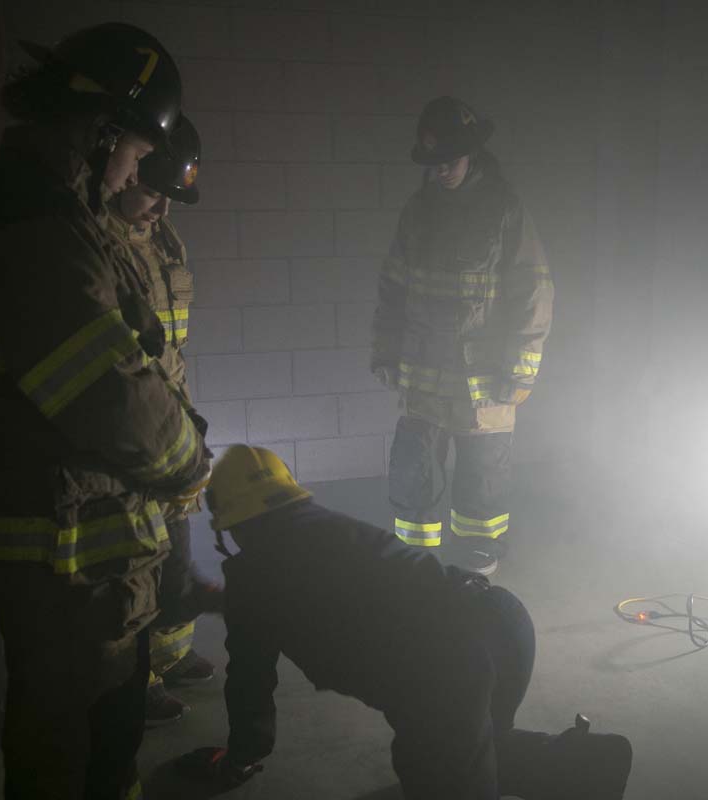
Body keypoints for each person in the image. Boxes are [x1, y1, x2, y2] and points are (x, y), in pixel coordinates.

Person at [0, 23, 210, 800]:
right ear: (102, 131)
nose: (134, 172)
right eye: (135, 151)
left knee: (94, 732)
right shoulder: (36, 215)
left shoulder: (39, 200)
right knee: (80, 744)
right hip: (60, 542)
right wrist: (187, 461)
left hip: (66, 529)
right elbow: (103, 386)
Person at [176, 445, 632, 799]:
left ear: (229, 522)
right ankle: (585, 765)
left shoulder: (254, 577)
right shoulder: (328, 525)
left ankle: (574, 767)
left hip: (448, 664)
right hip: (502, 619)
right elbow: (302, 591)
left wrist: (239, 759)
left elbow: (250, 685)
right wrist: (226, 601)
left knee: (447, 767)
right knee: (475, 744)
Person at [372, 96, 554, 576]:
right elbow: (393, 287)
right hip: (424, 376)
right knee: (413, 473)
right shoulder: (418, 211)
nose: (441, 169)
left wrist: (521, 369)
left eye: (449, 159)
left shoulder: (503, 210)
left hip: (484, 380)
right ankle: (414, 560)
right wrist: (385, 352)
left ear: (472, 153)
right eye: (433, 161)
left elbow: (533, 290)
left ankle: (477, 562)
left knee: (482, 477)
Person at [104, 115, 219, 726]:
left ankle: (172, 655)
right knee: (139, 564)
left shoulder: (161, 238)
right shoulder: (97, 246)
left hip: (170, 418)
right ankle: (140, 679)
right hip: (131, 432)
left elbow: (171, 350)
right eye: (151, 192)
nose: (160, 209)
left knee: (176, 548)